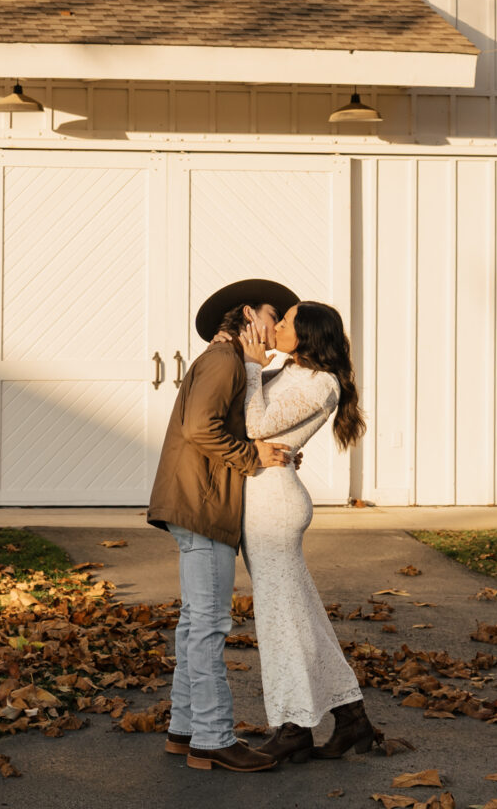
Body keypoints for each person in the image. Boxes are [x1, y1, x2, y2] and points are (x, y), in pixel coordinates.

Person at [147, 277, 300, 774]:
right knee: (209, 624)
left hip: (200, 500)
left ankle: (185, 729)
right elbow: (199, 429)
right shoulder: (222, 361)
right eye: (273, 315)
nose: (277, 325)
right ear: (248, 315)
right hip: (202, 500)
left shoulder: (234, 362)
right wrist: (252, 456)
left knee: (195, 621)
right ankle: (213, 738)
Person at [239, 299, 384, 763]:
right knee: (299, 615)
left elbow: (254, 422)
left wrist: (248, 366)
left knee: (282, 622)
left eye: (285, 322)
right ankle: (351, 719)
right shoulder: (288, 370)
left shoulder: (322, 384)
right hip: (263, 500)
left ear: (308, 334)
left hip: (274, 506)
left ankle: (295, 725)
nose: (276, 325)